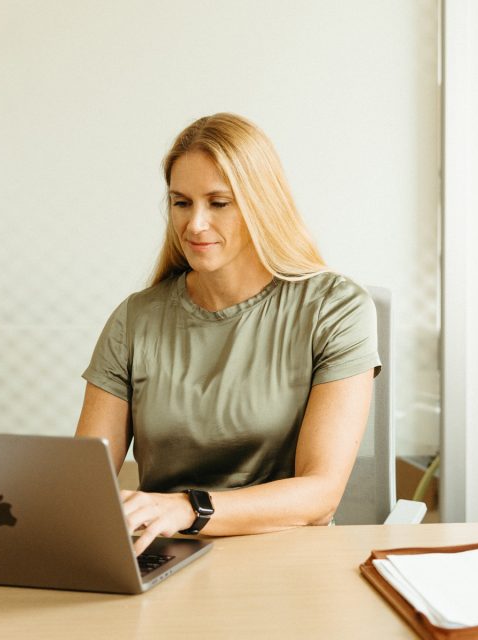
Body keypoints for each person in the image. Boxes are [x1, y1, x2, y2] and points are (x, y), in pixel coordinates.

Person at [75, 113, 380, 554]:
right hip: (162, 554)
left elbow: (320, 495)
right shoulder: (135, 319)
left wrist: (188, 509)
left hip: (288, 558)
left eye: (219, 203)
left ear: (261, 204)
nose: (195, 224)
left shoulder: (335, 307)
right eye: (182, 203)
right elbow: (86, 481)